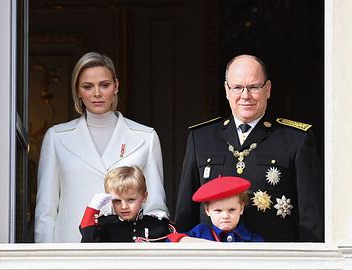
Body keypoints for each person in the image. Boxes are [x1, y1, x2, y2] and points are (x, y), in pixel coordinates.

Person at [174, 54, 323, 242]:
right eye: (237, 87)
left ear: (267, 89)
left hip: (273, 258)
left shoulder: (296, 139)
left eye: (253, 87)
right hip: (213, 258)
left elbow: (311, 217)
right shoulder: (201, 138)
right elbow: (185, 212)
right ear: (226, 90)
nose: (245, 96)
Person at [35, 52, 169, 242]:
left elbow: (155, 207)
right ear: (78, 91)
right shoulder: (56, 138)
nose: (97, 93)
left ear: (116, 86)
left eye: (104, 85)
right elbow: (46, 211)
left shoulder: (146, 137)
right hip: (70, 251)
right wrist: (44, 260)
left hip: (128, 253)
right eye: (88, 86)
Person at [79, 166, 174, 242]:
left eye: (131, 200)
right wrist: (92, 208)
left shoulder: (158, 225)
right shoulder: (104, 225)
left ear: (144, 197)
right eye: (117, 201)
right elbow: (88, 244)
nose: (124, 206)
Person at [168, 176, 263, 242]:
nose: (225, 216)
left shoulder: (254, 240)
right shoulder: (200, 233)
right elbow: (169, 241)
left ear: (241, 209)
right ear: (207, 210)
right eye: (218, 211)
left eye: (232, 210)